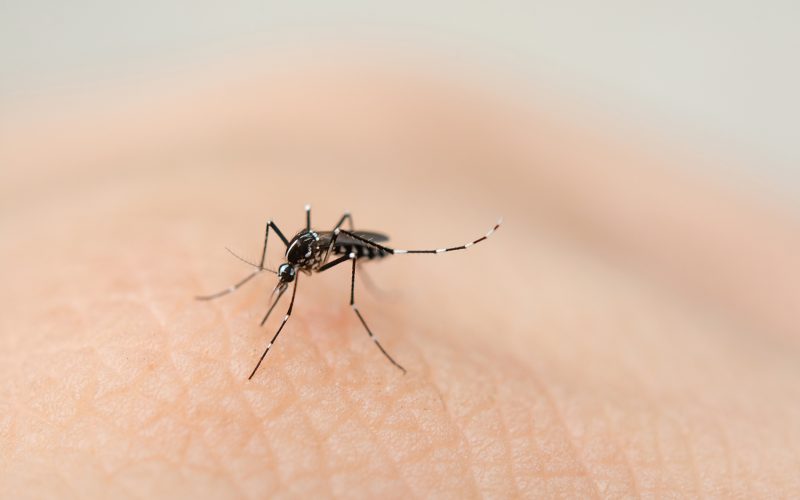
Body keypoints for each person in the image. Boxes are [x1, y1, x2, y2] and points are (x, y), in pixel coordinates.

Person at [1, 58, 798, 498]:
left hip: (364, 244)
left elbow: (323, 247)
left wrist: (352, 276)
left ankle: (377, 311)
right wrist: (256, 280)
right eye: (281, 273)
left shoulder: (328, 251)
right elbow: (284, 251)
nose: (287, 273)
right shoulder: (289, 246)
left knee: (348, 249)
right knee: (298, 230)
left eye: (285, 272)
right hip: (331, 230)